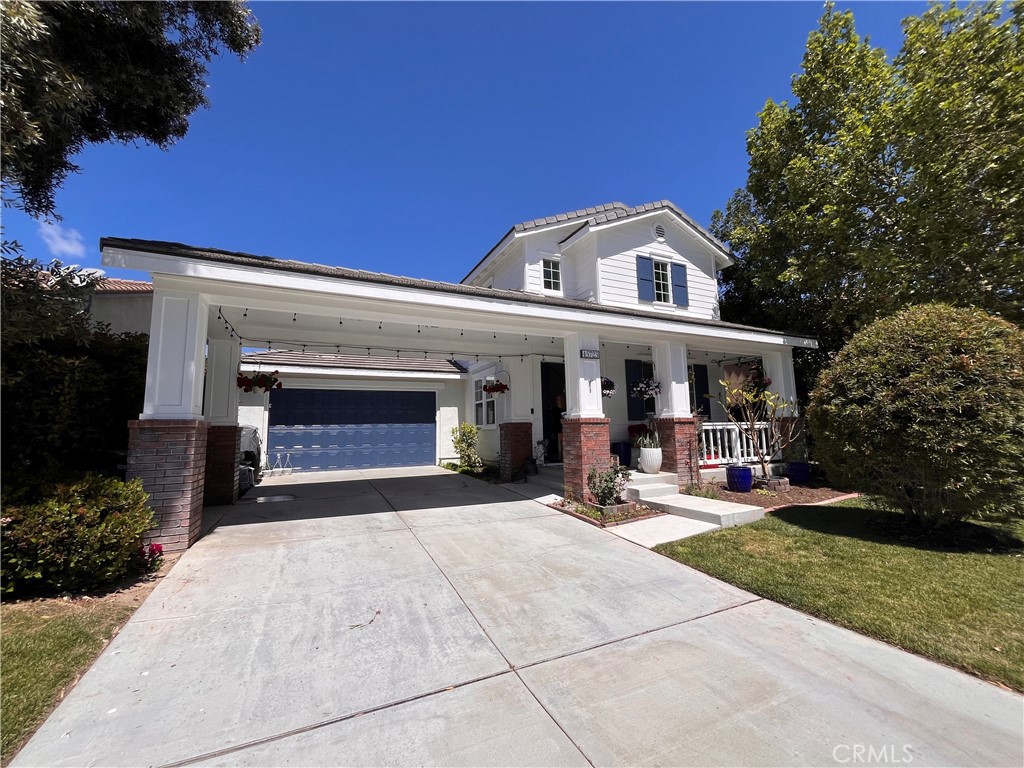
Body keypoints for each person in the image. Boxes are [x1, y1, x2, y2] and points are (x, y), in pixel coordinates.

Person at [549, 393, 566, 461]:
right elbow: (553, 417)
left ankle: (564, 455)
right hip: (557, 425)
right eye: (557, 399)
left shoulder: (565, 407)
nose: (558, 400)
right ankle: (559, 456)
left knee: (564, 441)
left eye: (560, 399)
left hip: (564, 425)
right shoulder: (554, 408)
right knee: (558, 441)